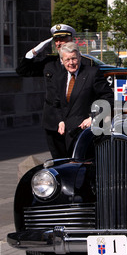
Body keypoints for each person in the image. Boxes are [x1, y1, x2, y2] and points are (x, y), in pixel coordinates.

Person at [16, 24, 97, 159]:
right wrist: (35, 51)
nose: (59, 43)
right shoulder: (49, 63)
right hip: (53, 121)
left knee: (81, 159)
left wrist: (92, 116)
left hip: (78, 120)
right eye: (56, 40)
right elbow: (22, 71)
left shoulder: (86, 64)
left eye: (63, 39)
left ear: (72, 40)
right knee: (58, 161)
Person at [56, 42, 114, 154]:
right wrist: (60, 121)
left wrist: (94, 117)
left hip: (87, 134)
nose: (71, 63)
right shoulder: (60, 77)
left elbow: (109, 98)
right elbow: (57, 103)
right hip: (67, 136)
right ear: (62, 61)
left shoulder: (92, 73)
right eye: (67, 60)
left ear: (79, 57)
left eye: (74, 58)